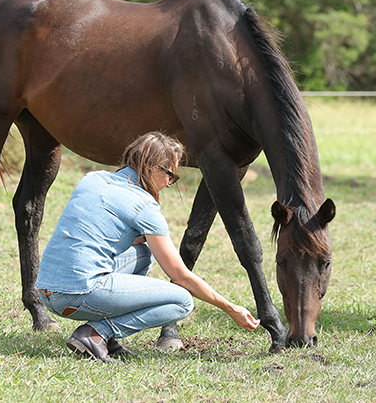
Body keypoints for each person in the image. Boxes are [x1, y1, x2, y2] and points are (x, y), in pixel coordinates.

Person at [35, 131, 259, 362]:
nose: (169, 184)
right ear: (153, 167)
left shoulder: (93, 179)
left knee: (143, 254)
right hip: (76, 294)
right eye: (170, 175)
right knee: (182, 301)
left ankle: (106, 338)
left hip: (47, 290)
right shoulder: (144, 205)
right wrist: (230, 308)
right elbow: (180, 276)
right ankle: (97, 333)